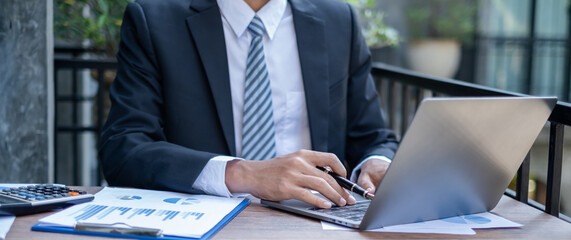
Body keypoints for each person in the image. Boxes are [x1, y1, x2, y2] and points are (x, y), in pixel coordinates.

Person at [99, 0, 398, 209]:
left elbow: (373, 137)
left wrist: (378, 163)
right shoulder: (153, 20)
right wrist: (246, 174)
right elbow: (124, 148)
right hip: (208, 222)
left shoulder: (338, 20)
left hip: (319, 220)